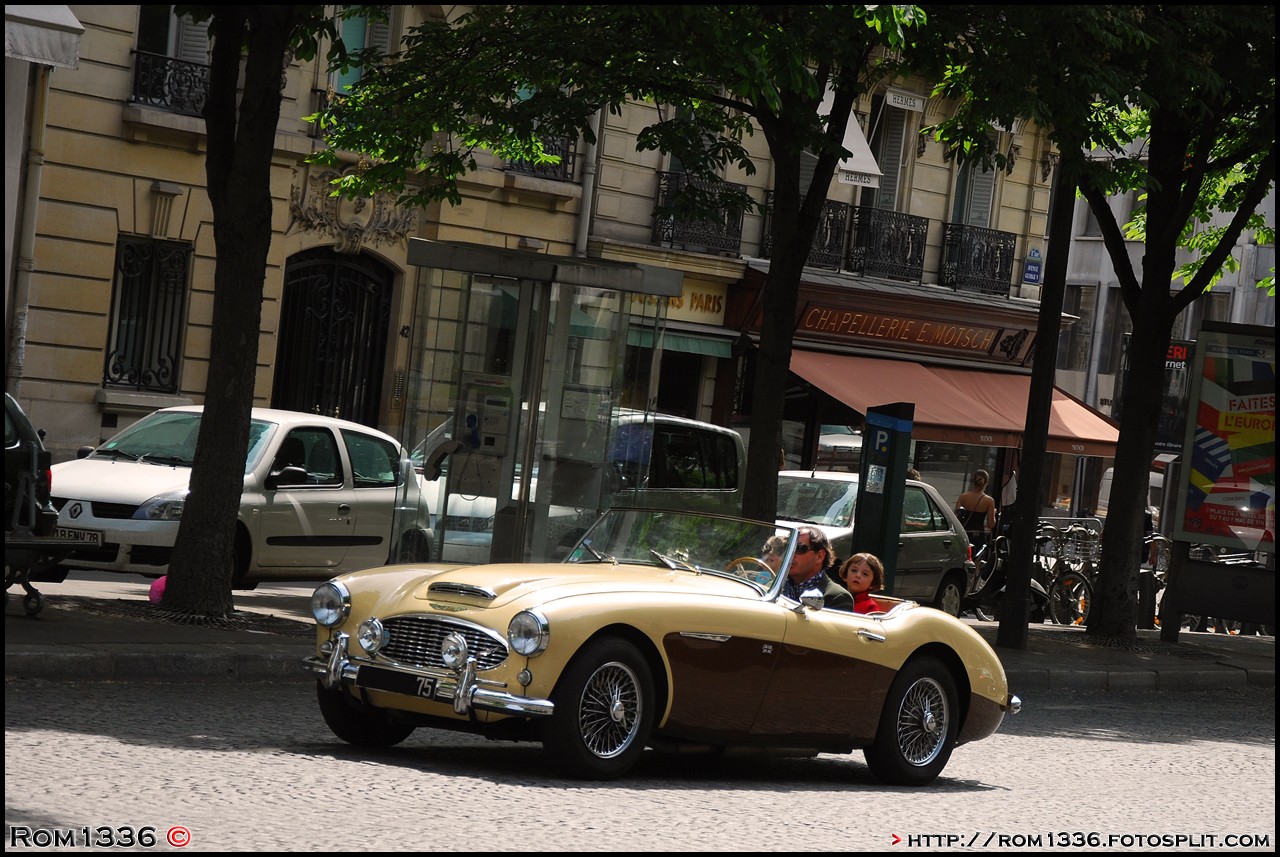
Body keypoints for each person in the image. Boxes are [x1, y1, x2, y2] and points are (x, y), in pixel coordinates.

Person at [782, 526, 853, 611]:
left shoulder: (837, 598)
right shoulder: (769, 588)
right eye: (787, 547)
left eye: (799, 548)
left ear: (819, 556)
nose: (790, 554)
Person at [955, 469, 997, 553]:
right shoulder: (989, 501)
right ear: (986, 483)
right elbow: (990, 524)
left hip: (964, 534)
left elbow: (956, 517)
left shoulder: (963, 497)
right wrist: (994, 513)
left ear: (973, 481)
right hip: (978, 536)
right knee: (976, 561)